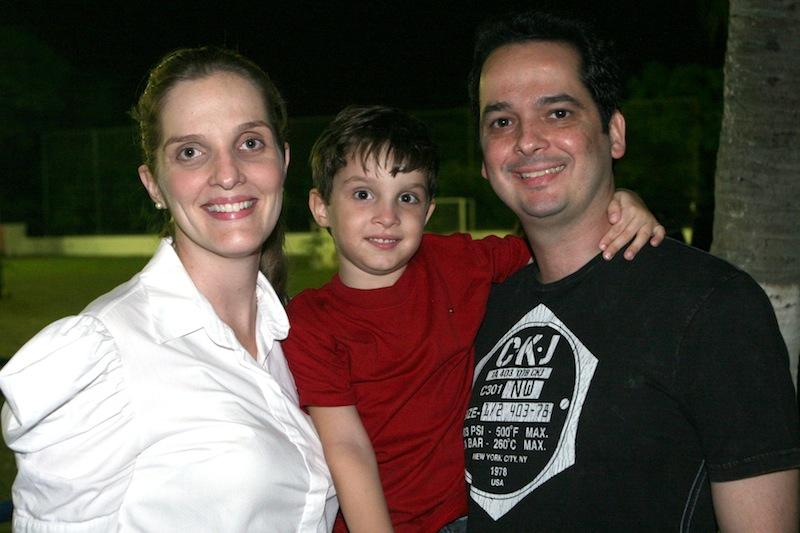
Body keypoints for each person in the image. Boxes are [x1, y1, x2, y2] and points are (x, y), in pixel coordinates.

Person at [463, 10, 800, 532]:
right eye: (502, 122)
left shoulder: (712, 306)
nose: (527, 140)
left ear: (614, 133)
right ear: (485, 160)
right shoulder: (475, 306)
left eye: (558, 113)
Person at [0, 47, 337, 532]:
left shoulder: (293, 336)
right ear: (153, 184)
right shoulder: (106, 358)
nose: (228, 174)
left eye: (249, 142)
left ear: (282, 160)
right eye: (190, 152)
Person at [283, 104, 664, 533]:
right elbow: (346, 446)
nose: (387, 216)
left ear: (428, 212)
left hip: (475, 516)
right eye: (362, 194)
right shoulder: (311, 320)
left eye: (407, 197)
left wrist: (619, 205)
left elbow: (558, 245)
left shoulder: (456, 262)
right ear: (320, 207)